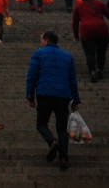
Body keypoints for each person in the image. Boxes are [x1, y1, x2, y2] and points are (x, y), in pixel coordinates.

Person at [25, 30, 80, 171]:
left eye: (42, 40)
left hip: (45, 94)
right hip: (63, 96)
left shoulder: (38, 54)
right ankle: (63, 158)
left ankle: (52, 142)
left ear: (47, 40)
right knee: (62, 128)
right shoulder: (68, 57)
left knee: (41, 124)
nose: (41, 42)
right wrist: (75, 101)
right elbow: (73, 81)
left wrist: (30, 96)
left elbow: (32, 77)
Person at [71, 0, 109, 81]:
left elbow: (75, 23)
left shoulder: (78, 7)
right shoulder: (100, 4)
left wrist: (75, 36)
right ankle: (100, 70)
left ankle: (92, 71)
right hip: (101, 29)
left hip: (87, 30)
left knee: (89, 53)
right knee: (101, 52)